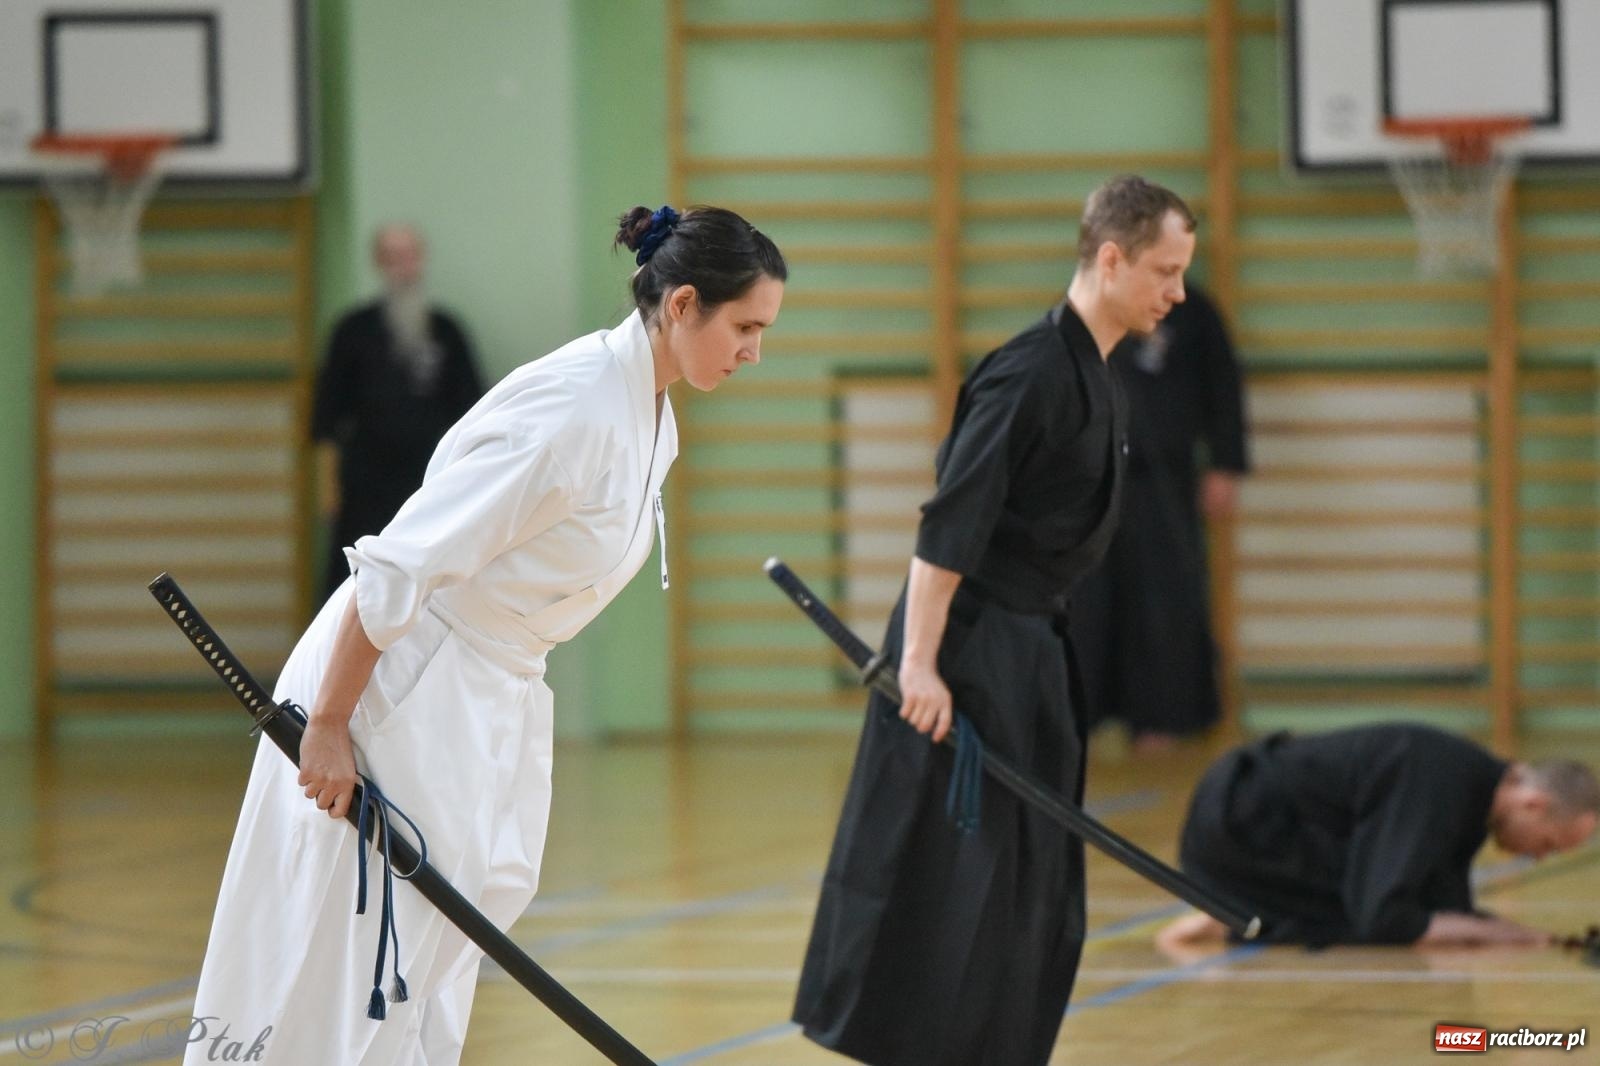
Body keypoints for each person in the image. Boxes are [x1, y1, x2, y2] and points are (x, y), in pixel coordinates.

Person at [184, 205, 786, 1066]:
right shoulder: (574, 409)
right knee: (351, 952)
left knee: (429, 959)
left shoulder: (652, 416)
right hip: (400, 677)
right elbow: (397, 568)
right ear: (684, 305)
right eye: (747, 327)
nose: (755, 351)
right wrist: (325, 722)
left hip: (484, 688)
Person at [793, 175, 1197, 1066]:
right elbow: (949, 525)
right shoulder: (1028, 373)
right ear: (1111, 257)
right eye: (1165, 270)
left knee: (1031, 883)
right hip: (967, 653)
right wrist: (923, 666)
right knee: (953, 876)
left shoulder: (1091, 371)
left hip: (1029, 648)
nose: (1177, 292)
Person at [1158, 723, 1600, 951]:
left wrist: (1493, 930)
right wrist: (1499, 934)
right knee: (1373, 914)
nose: (1539, 858)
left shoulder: (1470, 790)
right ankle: (1242, 914)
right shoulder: (1444, 782)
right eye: (1548, 844)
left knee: (1400, 908)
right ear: (1533, 804)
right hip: (1238, 827)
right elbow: (1387, 916)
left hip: (1255, 826)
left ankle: (1248, 911)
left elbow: (1441, 909)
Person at [1069, 282, 1249, 754]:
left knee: (1164, 603)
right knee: (1087, 603)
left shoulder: (1194, 312)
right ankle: (1081, 716)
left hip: (1166, 480)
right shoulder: (1088, 305)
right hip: (1094, 481)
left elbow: (1222, 383)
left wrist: (1226, 463)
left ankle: (1161, 719)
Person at [313, 223, 487, 604]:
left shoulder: (447, 333)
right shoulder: (352, 331)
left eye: (408, 256)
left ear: (421, 260)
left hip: (429, 485)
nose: (402, 267)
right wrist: (328, 490)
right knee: (353, 593)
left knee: (427, 594)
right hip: (364, 490)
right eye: (392, 257)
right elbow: (325, 418)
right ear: (378, 263)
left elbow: (475, 415)